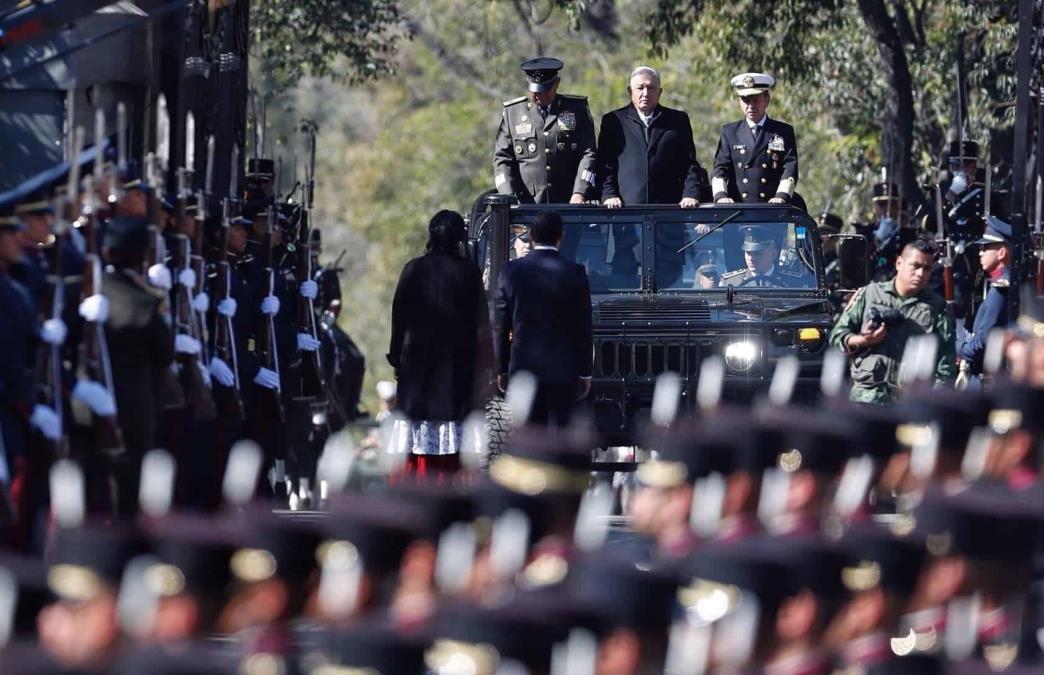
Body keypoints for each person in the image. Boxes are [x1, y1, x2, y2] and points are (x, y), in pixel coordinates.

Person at [387, 210, 489, 477]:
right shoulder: (469, 273)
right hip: (457, 370)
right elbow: (481, 324)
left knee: (416, 436)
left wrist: (396, 358)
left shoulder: (413, 269)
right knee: (454, 439)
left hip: (416, 369)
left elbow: (398, 318)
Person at [101, 216, 175, 516]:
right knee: (128, 490)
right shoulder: (145, 302)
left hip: (86, 406)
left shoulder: (88, 288)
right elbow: (165, 354)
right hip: (133, 408)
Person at [493, 211, 592, 427]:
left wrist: (500, 368)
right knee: (559, 438)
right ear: (561, 237)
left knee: (528, 438)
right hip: (563, 371)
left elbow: (501, 325)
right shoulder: (575, 272)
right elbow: (583, 327)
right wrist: (585, 371)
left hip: (524, 368)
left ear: (531, 235)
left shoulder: (511, 271)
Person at [828, 238, 956, 404]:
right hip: (866, 399)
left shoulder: (937, 307)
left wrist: (933, 400)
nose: (921, 274)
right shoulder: (870, 294)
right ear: (899, 263)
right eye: (915, 266)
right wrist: (863, 340)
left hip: (910, 403)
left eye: (927, 269)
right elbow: (836, 337)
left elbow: (946, 363)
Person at [492, 57, 598, 204]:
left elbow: (589, 153)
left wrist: (580, 191)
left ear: (556, 84)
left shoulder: (575, 109)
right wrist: (508, 196)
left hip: (568, 203)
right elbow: (502, 158)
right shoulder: (513, 113)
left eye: (544, 90)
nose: (537, 95)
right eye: (534, 90)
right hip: (527, 205)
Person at [598, 66, 704, 208]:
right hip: (625, 211)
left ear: (660, 92)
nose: (646, 93)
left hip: (668, 211)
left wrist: (690, 194)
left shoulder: (677, 121)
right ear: (630, 91)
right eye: (640, 88)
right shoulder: (613, 121)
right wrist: (609, 195)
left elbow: (689, 164)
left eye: (651, 88)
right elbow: (606, 165)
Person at [712, 72, 799, 206]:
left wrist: (782, 196)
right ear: (739, 102)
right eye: (746, 100)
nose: (751, 105)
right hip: (737, 209)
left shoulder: (783, 131)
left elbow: (789, 169)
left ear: (767, 100)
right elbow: (720, 168)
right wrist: (720, 196)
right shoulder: (730, 132)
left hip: (771, 208)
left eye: (755, 100)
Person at [956, 216, 1011, 377]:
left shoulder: (1001, 288)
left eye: (986, 247)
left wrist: (961, 349)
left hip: (989, 373)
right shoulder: (997, 282)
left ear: (1001, 253)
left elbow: (985, 339)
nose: (980, 253)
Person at [720, 225, 799, 287]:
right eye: (748, 253)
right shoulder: (730, 283)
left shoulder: (795, 283)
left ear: (773, 254)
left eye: (757, 254)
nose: (751, 258)